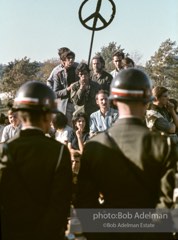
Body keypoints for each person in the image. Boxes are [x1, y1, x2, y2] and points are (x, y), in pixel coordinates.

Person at [76, 68, 176, 240]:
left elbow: (85, 204)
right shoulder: (163, 145)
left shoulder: (94, 147)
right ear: (147, 101)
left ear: (114, 101)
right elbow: (166, 205)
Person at [0, 81, 72, 240]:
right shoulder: (59, 151)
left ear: (18, 114)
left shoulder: (5, 150)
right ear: (47, 115)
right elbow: (61, 206)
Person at [53, 50, 78, 127]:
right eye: (69, 58)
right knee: (68, 128)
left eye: (72, 58)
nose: (71, 60)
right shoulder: (58, 74)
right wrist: (67, 89)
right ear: (64, 61)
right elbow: (56, 93)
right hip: (66, 106)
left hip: (77, 104)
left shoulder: (78, 71)